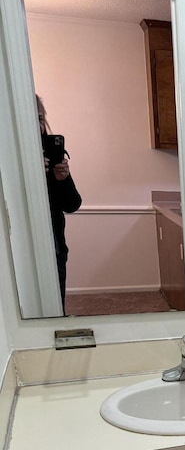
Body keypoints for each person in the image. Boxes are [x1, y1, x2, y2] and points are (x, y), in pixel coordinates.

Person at [37, 94, 82, 312]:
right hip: (22, 247)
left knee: (56, 302)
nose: (37, 125)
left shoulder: (53, 156)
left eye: (40, 118)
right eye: (30, 118)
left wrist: (61, 179)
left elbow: (73, 204)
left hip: (55, 243)